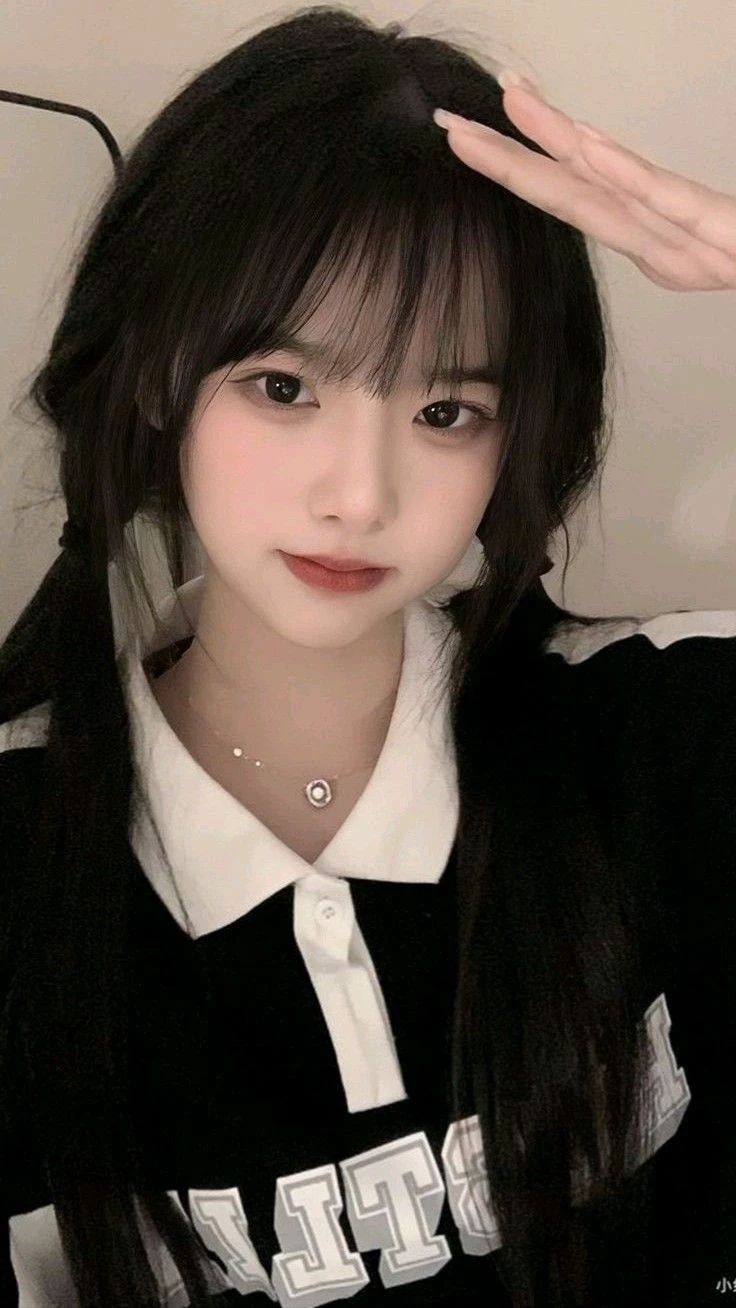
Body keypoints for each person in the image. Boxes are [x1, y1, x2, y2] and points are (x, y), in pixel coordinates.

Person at [0, 6, 734, 1306]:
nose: (361, 494)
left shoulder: (664, 732)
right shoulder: (21, 861)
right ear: (159, 378)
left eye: (446, 409)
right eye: (284, 387)